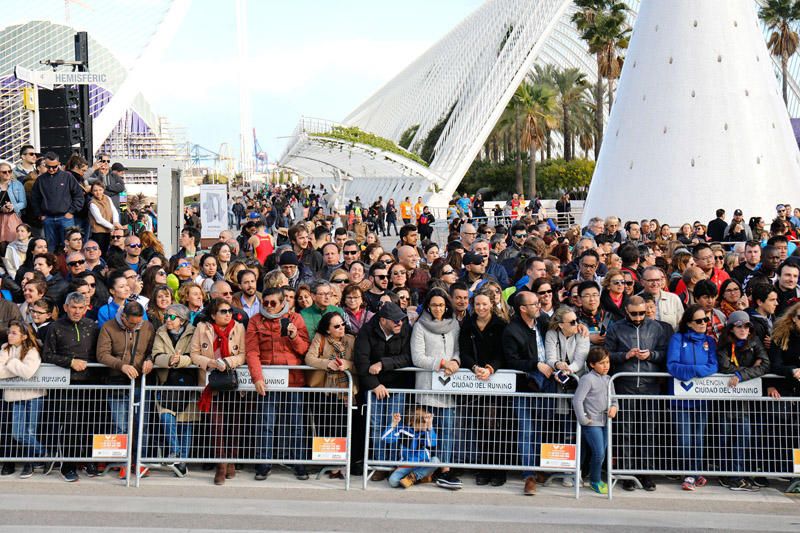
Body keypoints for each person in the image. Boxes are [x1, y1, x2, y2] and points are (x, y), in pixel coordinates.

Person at [605, 295, 670, 492]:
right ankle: (627, 473)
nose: (639, 317)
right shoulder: (616, 327)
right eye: (634, 314)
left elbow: (665, 352)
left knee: (648, 431)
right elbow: (606, 354)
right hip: (625, 384)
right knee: (626, 431)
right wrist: (625, 355)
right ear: (626, 311)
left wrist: (651, 355)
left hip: (650, 385)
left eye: (642, 313)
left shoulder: (657, 328)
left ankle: (646, 473)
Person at [246, 287, 311, 482]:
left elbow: (304, 350)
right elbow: (252, 352)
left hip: (293, 379)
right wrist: (257, 377)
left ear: (284, 302)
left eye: (273, 303)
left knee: (296, 424)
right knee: (266, 423)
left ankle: (298, 463)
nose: (269, 307)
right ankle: (263, 463)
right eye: (265, 303)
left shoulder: (296, 319)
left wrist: (293, 336)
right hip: (268, 379)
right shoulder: (255, 320)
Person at [41, 292, 99, 482]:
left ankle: (89, 461)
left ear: (86, 308)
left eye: (80, 308)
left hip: (91, 382)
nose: (77, 311)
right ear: (65, 307)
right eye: (73, 307)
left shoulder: (92, 325)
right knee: (71, 425)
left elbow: (99, 352)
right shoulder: (55, 327)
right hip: (66, 384)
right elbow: (47, 355)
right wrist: (70, 361)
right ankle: (68, 465)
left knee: (89, 424)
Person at [191, 297, 247, 486]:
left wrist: (227, 362)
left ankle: (232, 460)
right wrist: (210, 363)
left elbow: (242, 355)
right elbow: (194, 353)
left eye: (229, 310)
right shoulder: (202, 328)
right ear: (214, 314)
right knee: (217, 426)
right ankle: (221, 464)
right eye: (223, 311)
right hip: (211, 381)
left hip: (232, 380)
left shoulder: (238, 327)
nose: (227, 314)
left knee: (234, 425)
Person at [410, 288, 462, 490]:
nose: (438, 308)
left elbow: (458, 348)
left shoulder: (454, 325)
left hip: (448, 386)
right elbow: (418, 357)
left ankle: (445, 470)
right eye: (434, 305)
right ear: (428, 306)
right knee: (426, 431)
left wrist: (455, 362)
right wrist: (442, 363)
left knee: (447, 430)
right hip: (427, 386)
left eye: (441, 305)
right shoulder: (420, 326)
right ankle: (425, 470)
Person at [354, 302, 413, 481]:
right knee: (376, 426)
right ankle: (380, 464)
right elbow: (361, 361)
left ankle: (393, 464)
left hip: (397, 386)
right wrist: (374, 385)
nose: (399, 324)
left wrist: (383, 364)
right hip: (375, 388)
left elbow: (408, 357)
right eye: (395, 321)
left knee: (394, 426)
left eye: (401, 320)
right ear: (383, 320)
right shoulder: (367, 331)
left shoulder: (405, 329)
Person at [715, 311, 770, 492]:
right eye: (739, 326)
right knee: (724, 439)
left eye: (747, 326)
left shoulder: (754, 342)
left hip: (745, 401)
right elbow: (724, 367)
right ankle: (726, 474)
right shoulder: (723, 344)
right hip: (725, 401)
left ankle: (738, 475)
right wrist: (749, 368)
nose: (743, 329)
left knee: (743, 438)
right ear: (731, 328)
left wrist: (741, 374)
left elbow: (765, 365)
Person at [666, 305, 719, 491]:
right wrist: (694, 372)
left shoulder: (710, 341)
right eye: (699, 321)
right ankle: (688, 473)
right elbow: (672, 365)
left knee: (699, 438)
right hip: (681, 399)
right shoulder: (677, 338)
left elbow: (713, 366)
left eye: (705, 319)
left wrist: (697, 371)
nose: (703, 323)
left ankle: (694, 472)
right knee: (684, 438)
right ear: (689, 323)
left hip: (702, 398)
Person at [502, 290, 550, 495]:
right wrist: (536, 364)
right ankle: (528, 474)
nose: (538, 306)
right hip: (524, 386)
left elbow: (564, 322)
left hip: (545, 383)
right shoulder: (512, 330)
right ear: (522, 308)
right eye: (533, 304)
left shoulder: (543, 322)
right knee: (526, 430)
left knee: (542, 429)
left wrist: (580, 327)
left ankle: (541, 468)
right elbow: (511, 360)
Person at [458, 290, 507, 486]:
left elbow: (503, 352)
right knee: (479, 426)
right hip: (475, 380)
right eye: (477, 304)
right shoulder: (468, 325)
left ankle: (498, 469)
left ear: (491, 304)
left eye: (484, 304)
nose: (481, 308)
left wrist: (490, 368)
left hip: (495, 380)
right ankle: (483, 468)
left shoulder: (501, 325)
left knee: (496, 426)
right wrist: (474, 367)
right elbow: (464, 351)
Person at [304, 311, 358, 479]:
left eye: (342, 324)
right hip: (325, 390)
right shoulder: (320, 338)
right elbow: (309, 359)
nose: (341, 328)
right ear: (328, 330)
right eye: (336, 326)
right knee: (326, 425)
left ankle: (343, 463)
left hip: (345, 392)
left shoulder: (351, 340)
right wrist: (328, 364)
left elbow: (359, 363)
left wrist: (346, 365)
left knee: (344, 426)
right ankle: (329, 463)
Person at [0, 321, 48, 478]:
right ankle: (45, 454)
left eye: (14, 333)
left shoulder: (33, 350)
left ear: (24, 336)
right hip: (15, 396)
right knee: (18, 433)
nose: (9, 335)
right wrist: (16, 368)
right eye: (9, 332)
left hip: (33, 396)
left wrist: (11, 363)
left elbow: (28, 372)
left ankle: (33, 461)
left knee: (30, 431)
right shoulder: (5, 349)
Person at [572, 347, 618, 495]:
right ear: (592, 364)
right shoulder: (587, 379)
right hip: (592, 424)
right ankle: (595, 481)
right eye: (602, 363)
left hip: (605, 423)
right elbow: (577, 400)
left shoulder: (609, 379)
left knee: (601, 452)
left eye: (608, 362)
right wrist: (583, 420)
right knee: (598, 453)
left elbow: (615, 400)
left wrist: (614, 408)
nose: (606, 366)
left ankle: (589, 477)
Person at [30, 152, 85, 253]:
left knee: (70, 247)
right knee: (50, 248)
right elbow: (34, 199)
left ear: (59, 163)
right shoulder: (40, 180)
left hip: (65, 217)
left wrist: (71, 212)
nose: (51, 169)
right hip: (48, 218)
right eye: (48, 166)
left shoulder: (67, 177)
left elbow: (79, 195)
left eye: (54, 167)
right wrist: (40, 214)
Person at [382, 408, 440, 489]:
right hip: (406, 465)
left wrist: (430, 426)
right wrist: (393, 424)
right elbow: (386, 439)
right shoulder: (403, 430)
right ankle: (420, 477)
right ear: (412, 422)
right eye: (422, 423)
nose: (425, 425)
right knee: (393, 482)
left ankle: (414, 476)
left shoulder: (426, 432)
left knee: (436, 461)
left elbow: (432, 443)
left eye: (426, 423)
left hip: (422, 463)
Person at [546, 306, 589, 378]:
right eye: (572, 322)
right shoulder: (551, 334)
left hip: (580, 377)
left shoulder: (582, 333)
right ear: (561, 325)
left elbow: (579, 362)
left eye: (577, 320)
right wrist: (557, 364)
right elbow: (550, 358)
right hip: (557, 377)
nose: (576, 324)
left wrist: (565, 371)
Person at [639, 266, 683, 330]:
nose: (655, 284)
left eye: (657, 280)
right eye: (650, 280)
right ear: (642, 282)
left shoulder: (673, 299)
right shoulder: (635, 300)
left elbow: (681, 324)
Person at [0, 160, 26, 242]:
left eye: (9, 171)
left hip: (13, 217)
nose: (7, 173)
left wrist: (13, 207)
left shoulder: (17, 184)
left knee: (14, 241)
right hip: (0, 218)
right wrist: (1, 208)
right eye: (4, 172)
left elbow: (23, 203)